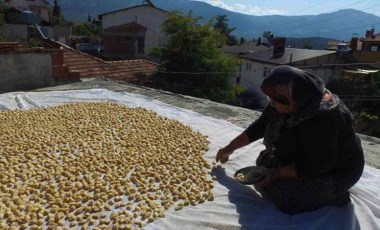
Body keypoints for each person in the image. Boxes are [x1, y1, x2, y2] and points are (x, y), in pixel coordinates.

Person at [215, 65, 364, 215]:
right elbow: (260, 126)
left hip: (334, 170)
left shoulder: (323, 118)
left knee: (287, 198)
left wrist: (276, 173)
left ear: (291, 98)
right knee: (262, 164)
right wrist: (230, 147)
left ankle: (335, 194)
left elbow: (317, 165)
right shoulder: (291, 99)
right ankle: (287, 172)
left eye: (275, 101)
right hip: (306, 158)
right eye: (270, 99)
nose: (271, 104)